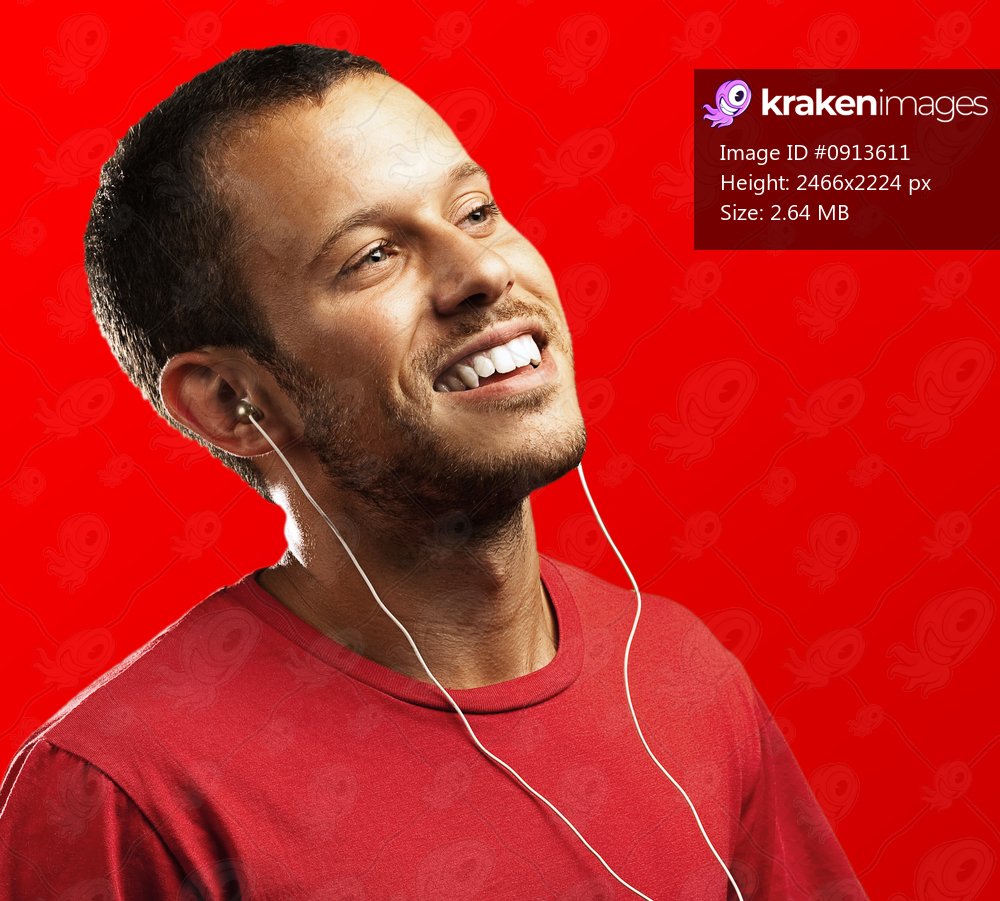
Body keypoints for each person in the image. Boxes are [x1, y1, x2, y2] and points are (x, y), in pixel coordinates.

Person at [0, 45, 867, 900]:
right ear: (231, 400)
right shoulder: (122, 794)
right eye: (374, 255)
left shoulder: (684, 677)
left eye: (477, 211)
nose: (484, 272)